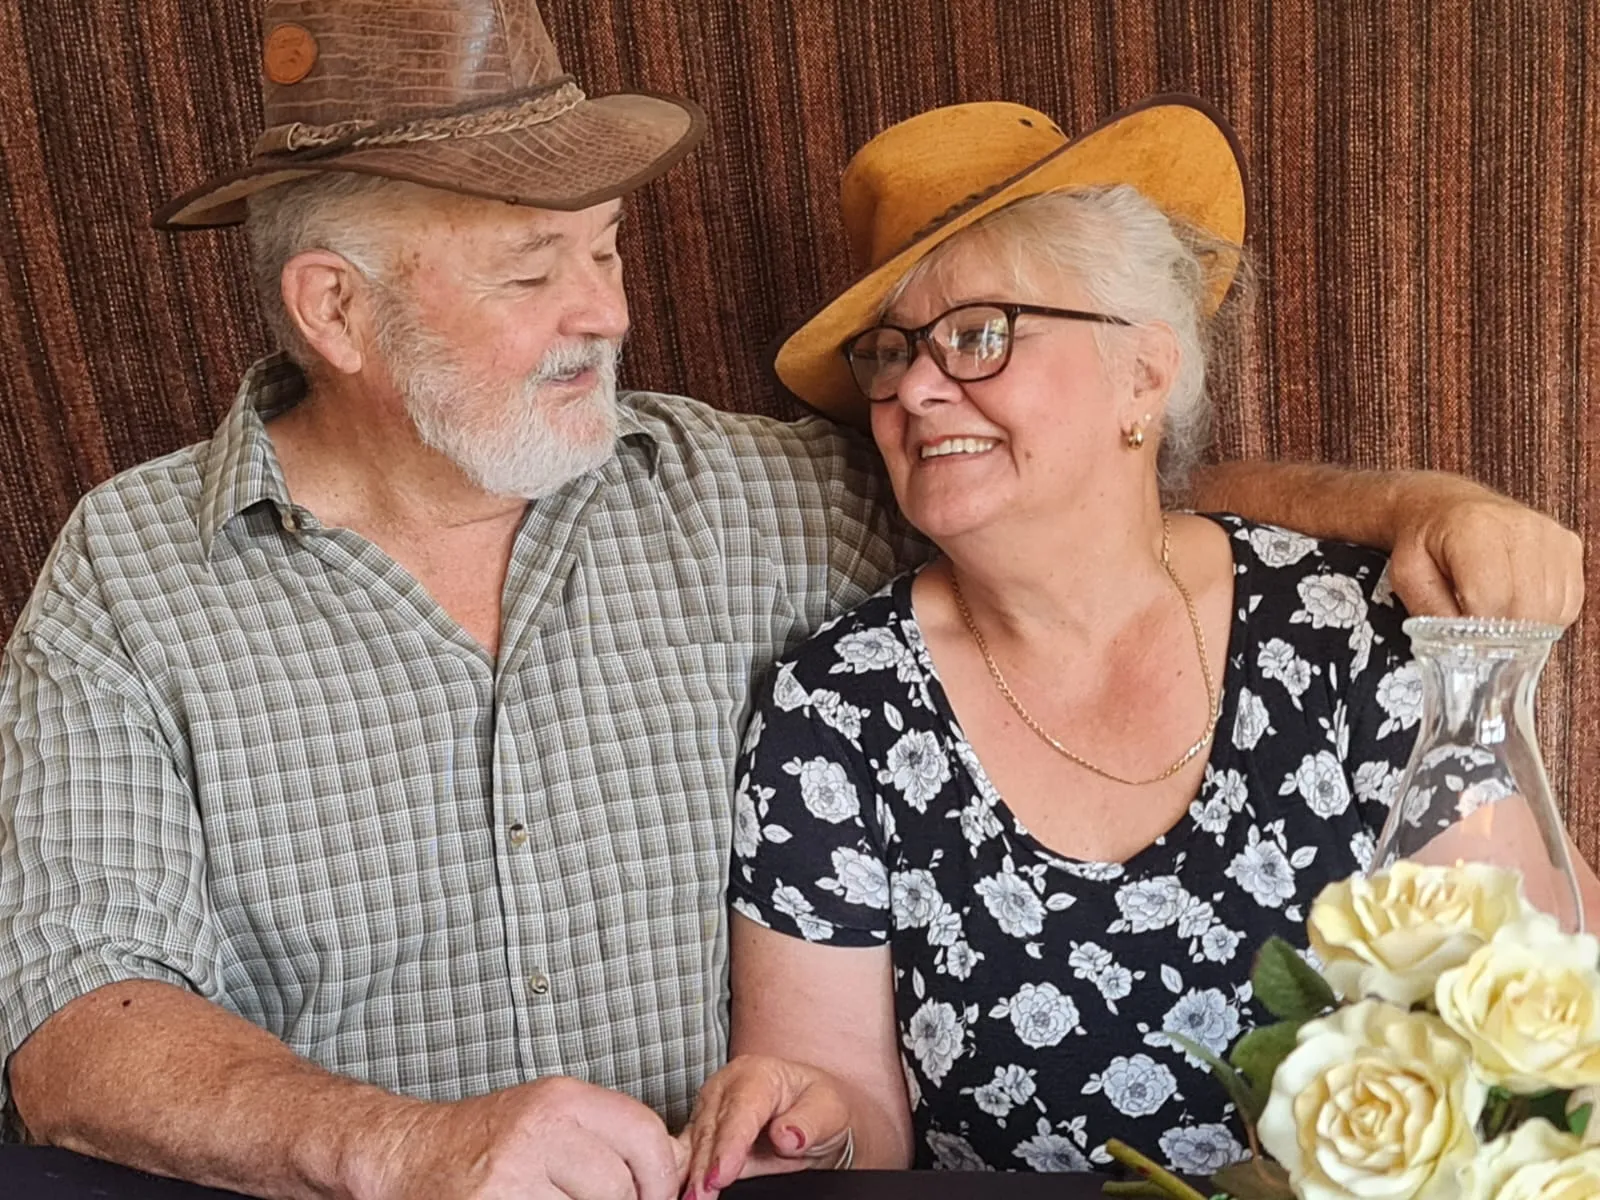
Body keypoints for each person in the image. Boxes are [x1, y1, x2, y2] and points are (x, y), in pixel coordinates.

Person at [0, 7, 1581, 1199]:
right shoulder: (133, 576)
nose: (608, 316)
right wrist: (406, 1153)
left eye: (609, 252)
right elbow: (76, 1025)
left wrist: (1410, 514)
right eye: (534, 273)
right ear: (335, 311)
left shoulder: (745, 489)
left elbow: (1068, 499)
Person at [678, 99, 1599, 1186]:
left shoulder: (1350, 634)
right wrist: (807, 1124)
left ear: (1143, 375)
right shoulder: (837, 708)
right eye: (888, 354)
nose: (914, 389)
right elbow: (851, 1112)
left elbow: (1547, 1024)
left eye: (977, 334)